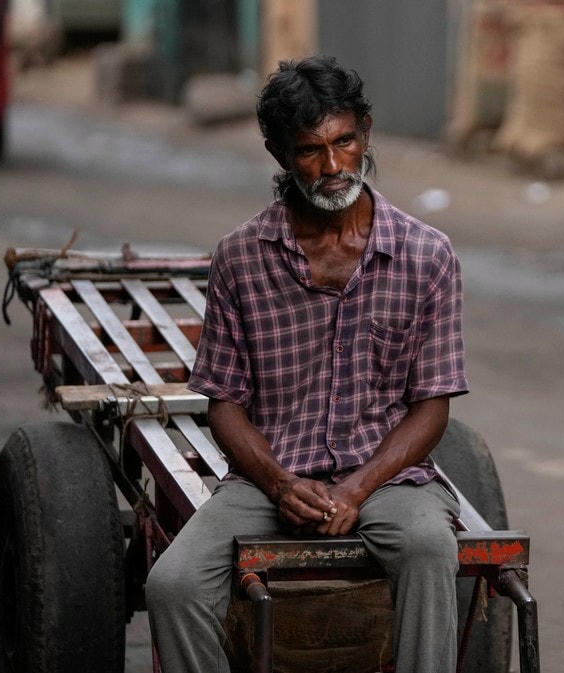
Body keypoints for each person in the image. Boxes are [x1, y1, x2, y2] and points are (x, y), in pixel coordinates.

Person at [146, 55, 469, 673]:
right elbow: (225, 403)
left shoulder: (428, 254)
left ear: (366, 133)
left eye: (344, 142)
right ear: (278, 154)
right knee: (172, 585)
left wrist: (356, 487)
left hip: (386, 481)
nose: (331, 167)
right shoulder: (240, 256)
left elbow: (432, 406)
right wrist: (279, 484)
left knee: (429, 547)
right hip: (269, 481)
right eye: (309, 150)